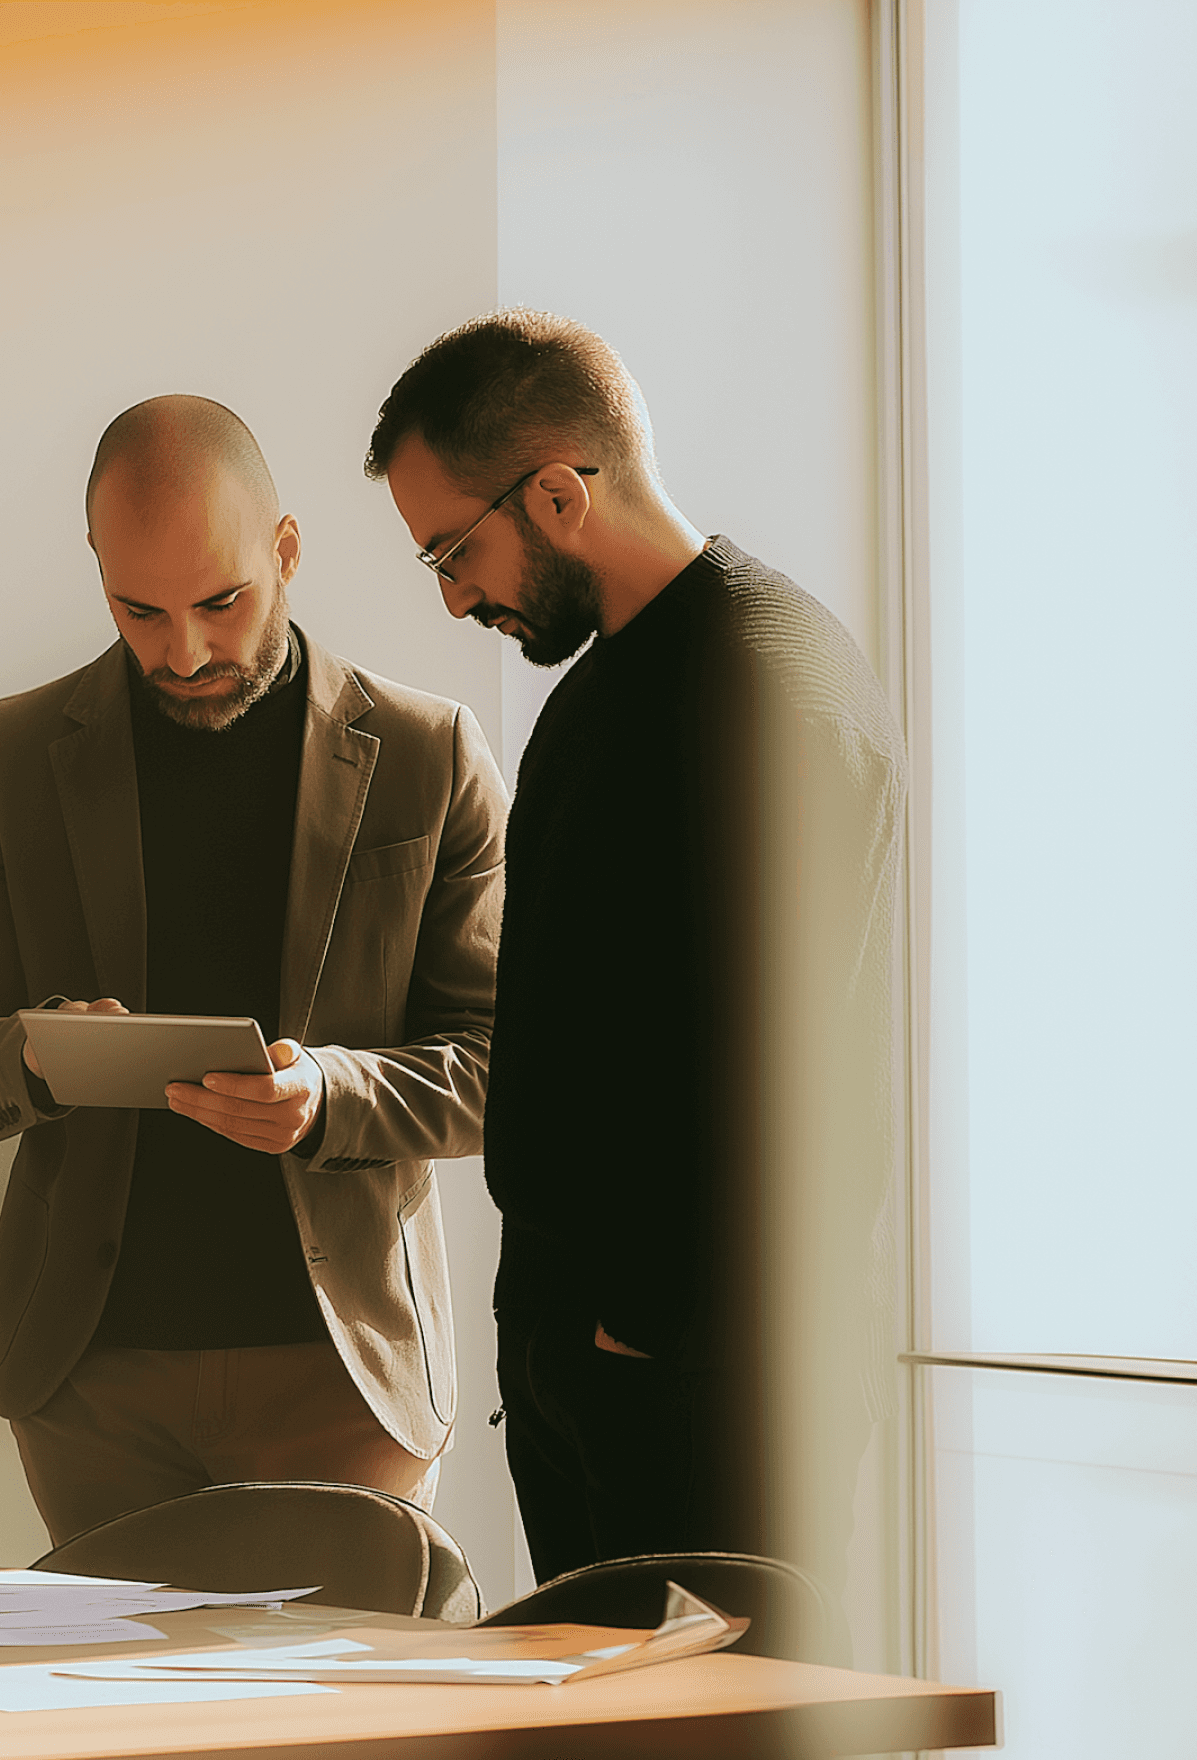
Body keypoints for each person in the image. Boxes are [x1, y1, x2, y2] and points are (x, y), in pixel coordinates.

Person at [0, 395, 508, 1546]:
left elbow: (507, 1068)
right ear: (96, 569)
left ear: (285, 550)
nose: (184, 652)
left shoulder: (429, 755)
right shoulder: (5, 757)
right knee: (112, 1677)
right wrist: (40, 1053)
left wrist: (327, 1095)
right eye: (140, 610)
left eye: (221, 602)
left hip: (346, 1376)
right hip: (89, 1388)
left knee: (345, 1676)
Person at [366, 313, 905, 1596]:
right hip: (602, 1364)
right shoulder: (604, 691)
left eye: (453, 550)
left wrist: (639, 1334)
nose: (452, 596)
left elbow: (774, 1060)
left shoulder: (767, 684)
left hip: (704, 1380)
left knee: (730, 1720)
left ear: (557, 491)